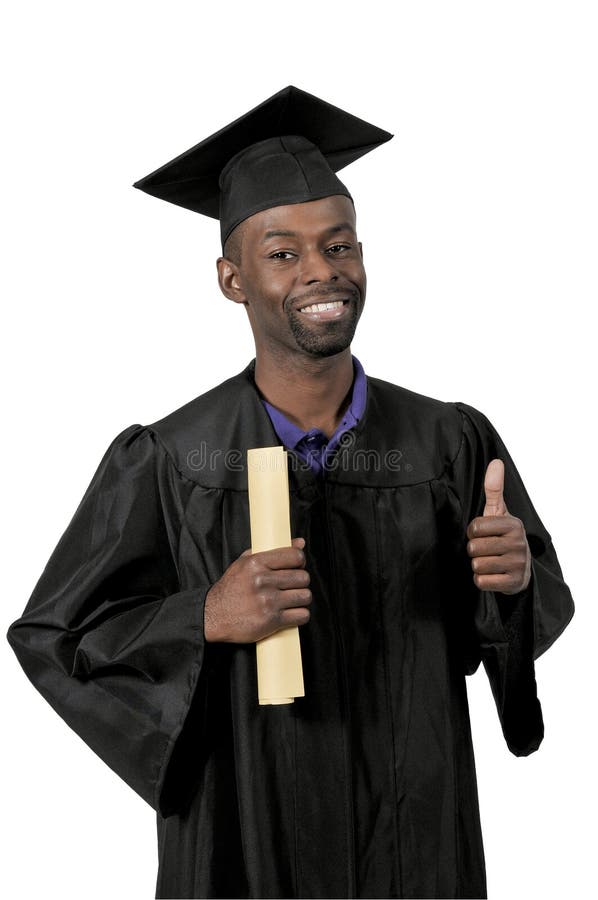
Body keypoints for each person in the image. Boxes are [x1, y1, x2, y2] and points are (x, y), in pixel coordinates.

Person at [7, 86, 574, 900]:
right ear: (232, 280)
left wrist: (510, 587)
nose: (321, 272)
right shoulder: (171, 458)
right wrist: (200, 616)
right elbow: (56, 637)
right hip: (246, 842)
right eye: (283, 253)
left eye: (340, 246)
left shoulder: (449, 443)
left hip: (412, 839)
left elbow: (519, 621)